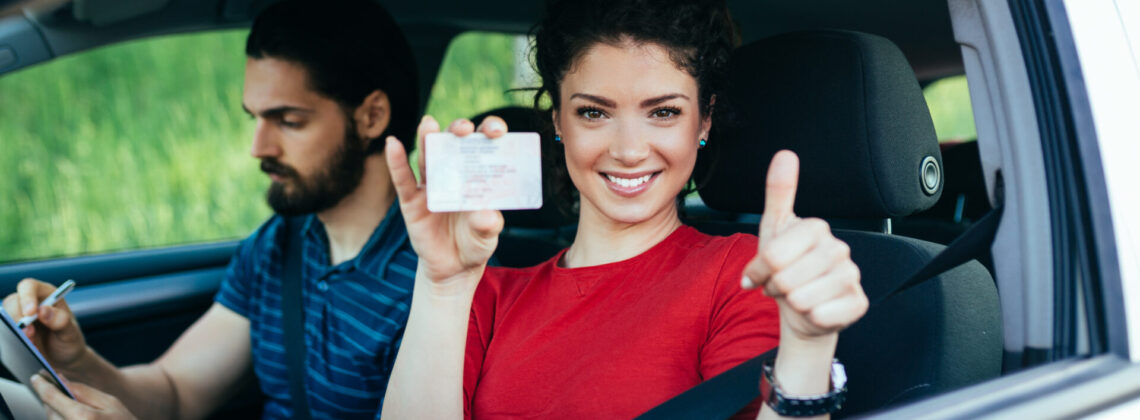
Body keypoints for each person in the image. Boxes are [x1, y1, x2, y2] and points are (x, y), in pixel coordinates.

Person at [380, 0, 868, 418]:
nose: (630, 150)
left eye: (663, 112)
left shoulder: (745, 274)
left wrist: (807, 347)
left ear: (705, 120)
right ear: (559, 122)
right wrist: (441, 285)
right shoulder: (484, 293)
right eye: (594, 112)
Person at [3, 0, 421, 418]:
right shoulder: (276, 246)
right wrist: (76, 360)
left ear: (371, 116)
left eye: (289, 121)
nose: (259, 148)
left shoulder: (433, 283)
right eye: (254, 118)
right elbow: (176, 392)